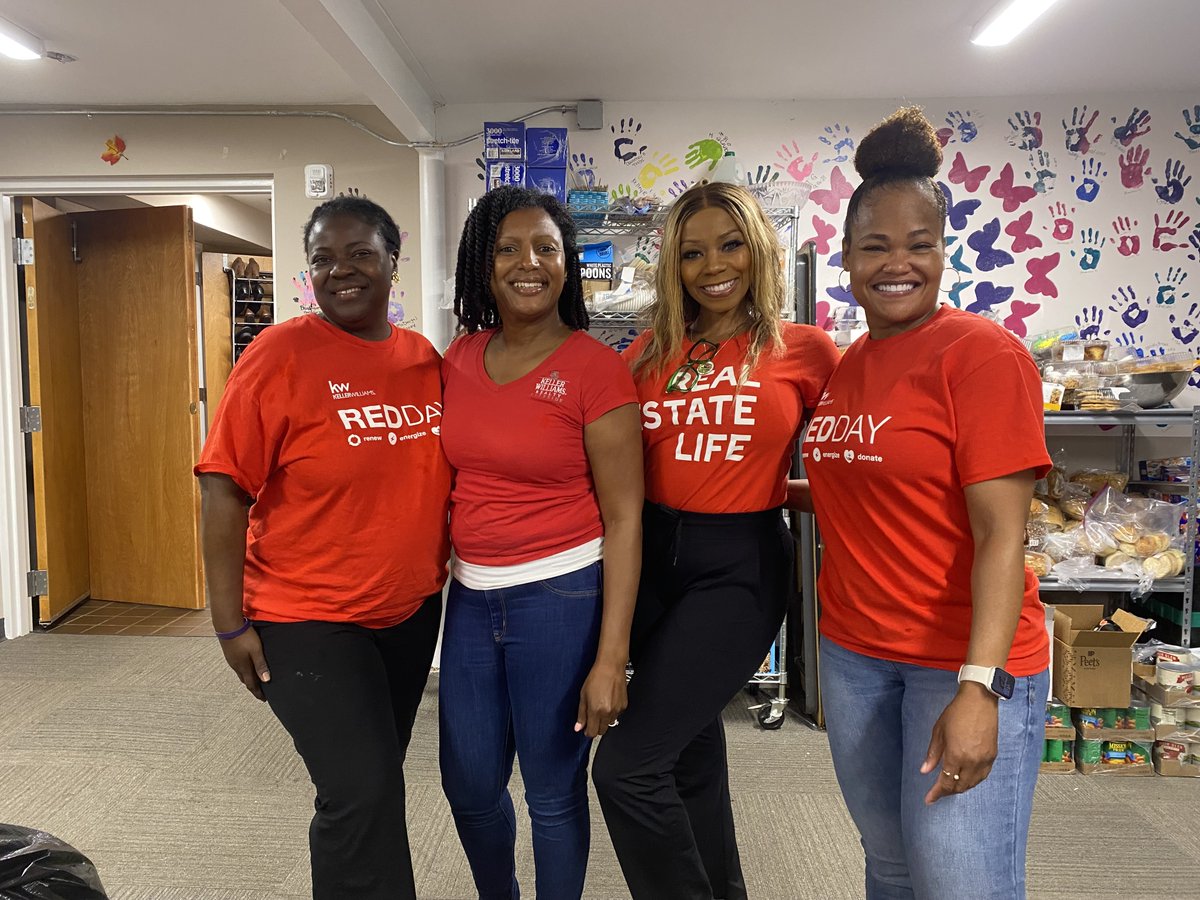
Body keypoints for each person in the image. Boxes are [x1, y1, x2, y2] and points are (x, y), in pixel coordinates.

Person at [797, 107, 1051, 899]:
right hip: (854, 652)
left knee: (960, 883)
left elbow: (1002, 536)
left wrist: (981, 688)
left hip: (959, 658)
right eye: (875, 245)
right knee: (893, 863)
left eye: (920, 245)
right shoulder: (847, 364)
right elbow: (860, 479)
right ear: (846, 258)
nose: (896, 263)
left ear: (944, 254)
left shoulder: (981, 357)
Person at [195, 195, 451, 900]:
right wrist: (228, 622)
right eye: (323, 259)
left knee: (369, 785)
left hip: (407, 613)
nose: (340, 271)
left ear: (392, 263)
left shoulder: (421, 358)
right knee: (360, 792)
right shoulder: (279, 354)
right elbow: (223, 491)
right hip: (305, 616)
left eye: (360, 254)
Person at [591, 182, 840, 900]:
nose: (713, 266)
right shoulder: (646, 356)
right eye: (692, 252)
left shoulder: (805, 351)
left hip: (739, 568)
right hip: (649, 561)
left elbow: (858, 460)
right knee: (689, 750)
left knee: (628, 769)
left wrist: (784, 495)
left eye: (730, 245)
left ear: (758, 250)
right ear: (673, 264)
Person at [439, 185, 643, 900]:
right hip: (469, 596)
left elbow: (625, 518)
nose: (528, 263)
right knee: (468, 786)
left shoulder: (596, 367)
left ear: (567, 264)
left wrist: (612, 657)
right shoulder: (458, 357)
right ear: (482, 264)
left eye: (546, 248)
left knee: (552, 793)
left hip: (563, 593)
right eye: (507, 248)